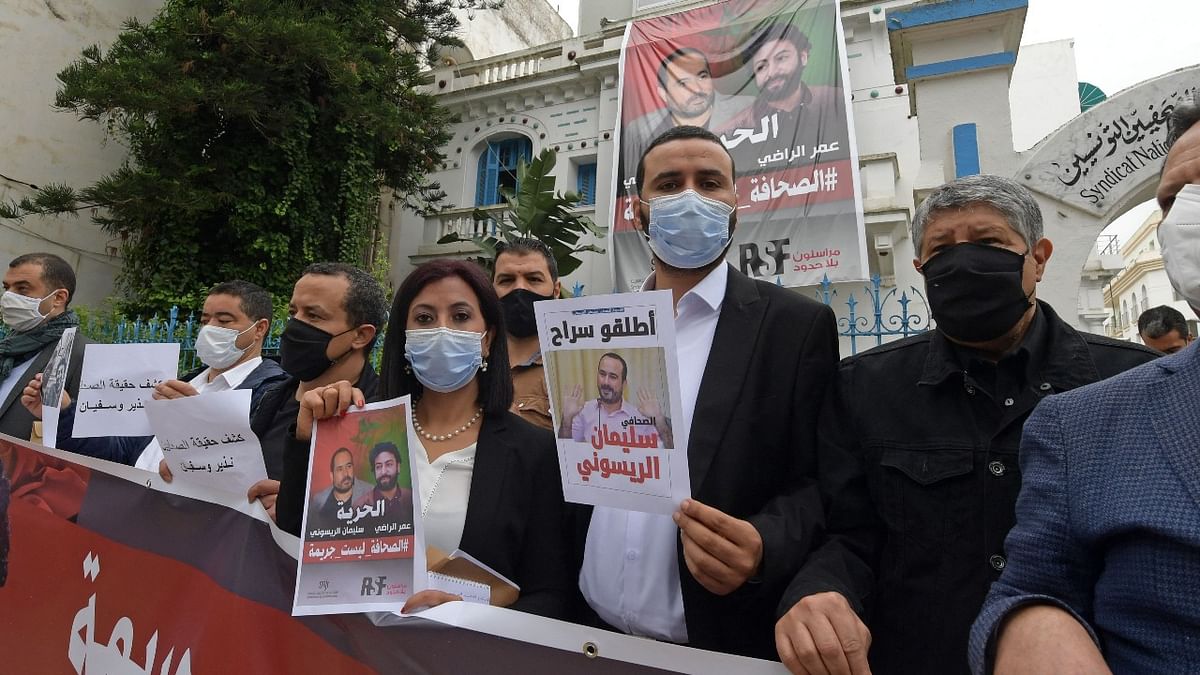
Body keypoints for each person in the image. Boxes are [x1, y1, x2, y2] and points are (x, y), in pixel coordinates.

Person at [773, 174, 1158, 675]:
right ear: (920, 268)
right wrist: (820, 592)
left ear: (1038, 259)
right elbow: (850, 534)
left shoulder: (1131, 383)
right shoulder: (863, 387)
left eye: (989, 242)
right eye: (942, 248)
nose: (964, 260)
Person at [571, 125, 840, 659]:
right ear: (637, 210)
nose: (690, 197)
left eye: (709, 182)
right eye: (669, 184)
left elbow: (823, 485)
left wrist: (764, 543)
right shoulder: (597, 328)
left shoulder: (794, 327)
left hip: (714, 645)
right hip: (587, 633)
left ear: (735, 205)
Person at [970, 99, 1200, 675]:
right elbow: (1033, 587)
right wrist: (1033, 628)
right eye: (1171, 201)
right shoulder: (1084, 423)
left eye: (989, 245)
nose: (1188, 217)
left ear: (1039, 259)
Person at [275, 259, 571, 618]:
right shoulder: (359, 431)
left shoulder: (535, 453)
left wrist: (472, 613)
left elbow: (552, 593)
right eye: (425, 318)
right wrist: (308, 443)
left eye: (461, 316)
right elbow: (296, 544)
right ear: (404, 336)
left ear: (488, 339)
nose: (442, 330)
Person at [23, 280, 288, 468]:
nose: (210, 329)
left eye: (224, 321)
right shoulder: (179, 383)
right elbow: (123, 452)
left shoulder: (272, 395)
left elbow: (250, 475)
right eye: (206, 320)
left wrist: (197, 422)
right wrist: (64, 411)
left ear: (259, 329)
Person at [246, 263, 387, 521]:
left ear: (361, 336)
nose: (293, 327)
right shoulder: (266, 397)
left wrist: (298, 499)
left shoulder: (381, 414)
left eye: (313, 316)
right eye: (293, 313)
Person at [0, 253, 88, 441]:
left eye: (22, 290)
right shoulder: (7, 347)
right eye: (6, 288)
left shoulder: (82, 354)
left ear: (58, 297)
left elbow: (91, 444)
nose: (8, 297)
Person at [620, 48, 719, 190]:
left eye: (702, 76)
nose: (697, 89)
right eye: (683, 83)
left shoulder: (747, 113)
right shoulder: (638, 132)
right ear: (663, 94)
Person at [492, 238, 560, 429]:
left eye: (534, 279)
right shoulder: (470, 365)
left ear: (556, 291)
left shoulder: (571, 368)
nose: (519, 288)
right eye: (506, 280)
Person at [556, 352, 670, 446]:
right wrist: (567, 418)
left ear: (624, 384)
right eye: (602, 374)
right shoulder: (583, 411)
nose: (605, 382)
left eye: (613, 377)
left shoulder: (640, 416)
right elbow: (565, 451)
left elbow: (669, 451)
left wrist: (659, 419)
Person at [306, 446, 372, 533]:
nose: (346, 473)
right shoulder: (318, 500)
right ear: (332, 476)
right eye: (340, 469)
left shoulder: (371, 492)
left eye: (349, 466)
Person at [353, 441, 414, 529]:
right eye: (378, 466)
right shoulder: (360, 506)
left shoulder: (411, 499)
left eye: (389, 465)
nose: (384, 471)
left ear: (398, 467)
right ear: (374, 471)